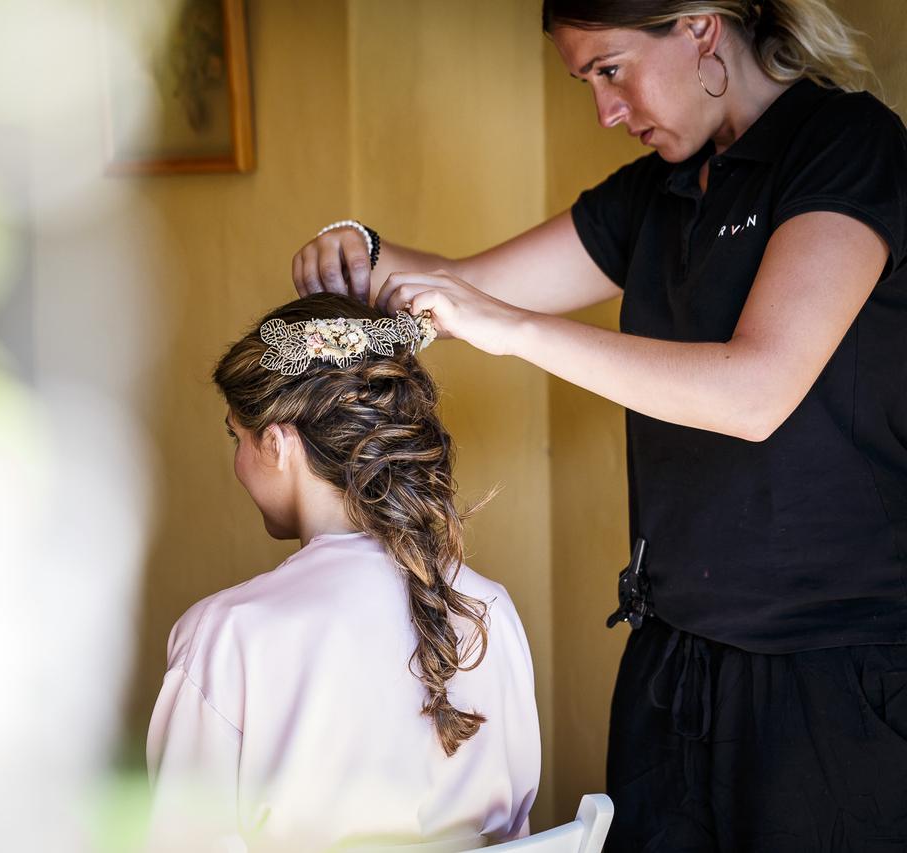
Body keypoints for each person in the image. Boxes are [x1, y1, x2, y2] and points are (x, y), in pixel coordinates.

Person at [291, 1, 907, 850]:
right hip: (670, 665)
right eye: (586, 83)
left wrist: (511, 331)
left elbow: (758, 390)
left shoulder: (846, 144)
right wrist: (357, 247)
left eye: (610, 70)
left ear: (698, 26)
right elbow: (467, 286)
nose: (606, 112)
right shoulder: (654, 194)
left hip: (830, 680)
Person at [145, 294, 540, 852]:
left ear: (278, 443)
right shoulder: (490, 611)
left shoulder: (227, 636)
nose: (237, 459)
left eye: (238, 436)